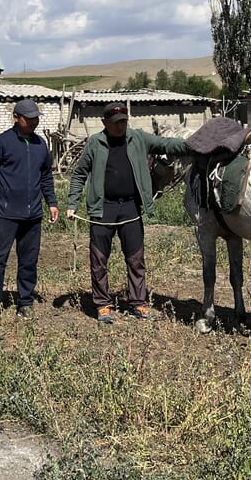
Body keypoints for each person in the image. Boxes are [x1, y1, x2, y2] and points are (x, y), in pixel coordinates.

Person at [66, 102, 194, 324]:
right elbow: (79, 174)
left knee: (136, 259)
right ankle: (103, 305)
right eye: (115, 123)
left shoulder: (138, 138)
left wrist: (195, 145)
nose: (120, 127)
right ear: (105, 122)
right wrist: (72, 203)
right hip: (103, 208)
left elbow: (167, 144)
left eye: (123, 122)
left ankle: (138, 304)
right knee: (99, 260)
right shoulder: (95, 143)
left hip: (130, 207)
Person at [0, 99, 58, 324]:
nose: (33, 122)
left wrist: (51, 202)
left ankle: (25, 302)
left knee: (29, 260)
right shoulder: (2, 142)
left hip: (33, 216)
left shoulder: (41, 145)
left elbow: (46, 177)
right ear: (16, 118)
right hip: (5, 213)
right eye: (28, 118)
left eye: (35, 118)